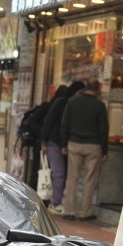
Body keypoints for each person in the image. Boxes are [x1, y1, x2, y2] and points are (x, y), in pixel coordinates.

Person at [60, 80, 108, 221]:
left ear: (85, 89)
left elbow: (65, 124)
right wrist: (105, 151)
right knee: (89, 180)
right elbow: (103, 130)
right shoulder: (100, 106)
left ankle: (69, 211)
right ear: (97, 91)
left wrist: (64, 144)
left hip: (74, 144)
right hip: (93, 146)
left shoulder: (73, 102)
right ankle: (84, 213)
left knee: (72, 179)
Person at [41, 83, 80, 213]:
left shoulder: (73, 104)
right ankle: (56, 203)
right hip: (55, 143)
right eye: (79, 93)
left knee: (62, 175)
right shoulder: (61, 103)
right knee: (59, 174)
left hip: (66, 144)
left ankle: (57, 201)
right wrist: (44, 142)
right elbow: (49, 121)